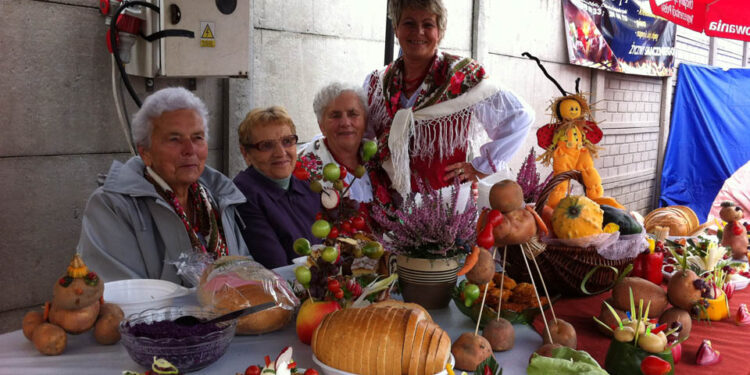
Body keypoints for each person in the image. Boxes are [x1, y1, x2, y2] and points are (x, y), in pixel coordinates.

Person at [364, 0, 535, 197]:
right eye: (409, 23)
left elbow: (520, 116)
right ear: (396, 29)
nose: (418, 32)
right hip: (384, 200)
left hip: (445, 206)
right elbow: (363, 140)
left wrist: (481, 167)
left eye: (428, 25)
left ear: (440, 31)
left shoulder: (462, 77)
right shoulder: (377, 83)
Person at [78, 87, 249, 283]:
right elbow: (120, 290)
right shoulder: (111, 206)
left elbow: (245, 267)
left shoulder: (219, 197)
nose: (189, 149)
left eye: (197, 137)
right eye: (174, 139)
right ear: (146, 153)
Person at [234, 106, 322, 269]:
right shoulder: (244, 196)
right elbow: (276, 266)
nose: (280, 153)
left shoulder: (308, 185)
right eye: (266, 145)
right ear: (246, 153)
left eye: (287, 141)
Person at [298, 82, 374, 203]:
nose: (345, 123)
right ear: (321, 125)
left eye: (353, 114)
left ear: (365, 121)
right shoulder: (305, 171)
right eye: (335, 115)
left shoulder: (380, 159)